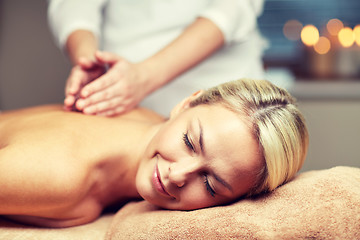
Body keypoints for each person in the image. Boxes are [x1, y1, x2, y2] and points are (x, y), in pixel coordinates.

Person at [0, 78, 308, 228]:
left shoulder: (147, 120)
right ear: (186, 103)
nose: (177, 175)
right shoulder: (61, 175)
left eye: (210, 184)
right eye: (189, 142)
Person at [47, 0, 267, 116]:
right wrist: (88, 59)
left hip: (224, 92)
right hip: (117, 94)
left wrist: (144, 77)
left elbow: (234, 7)